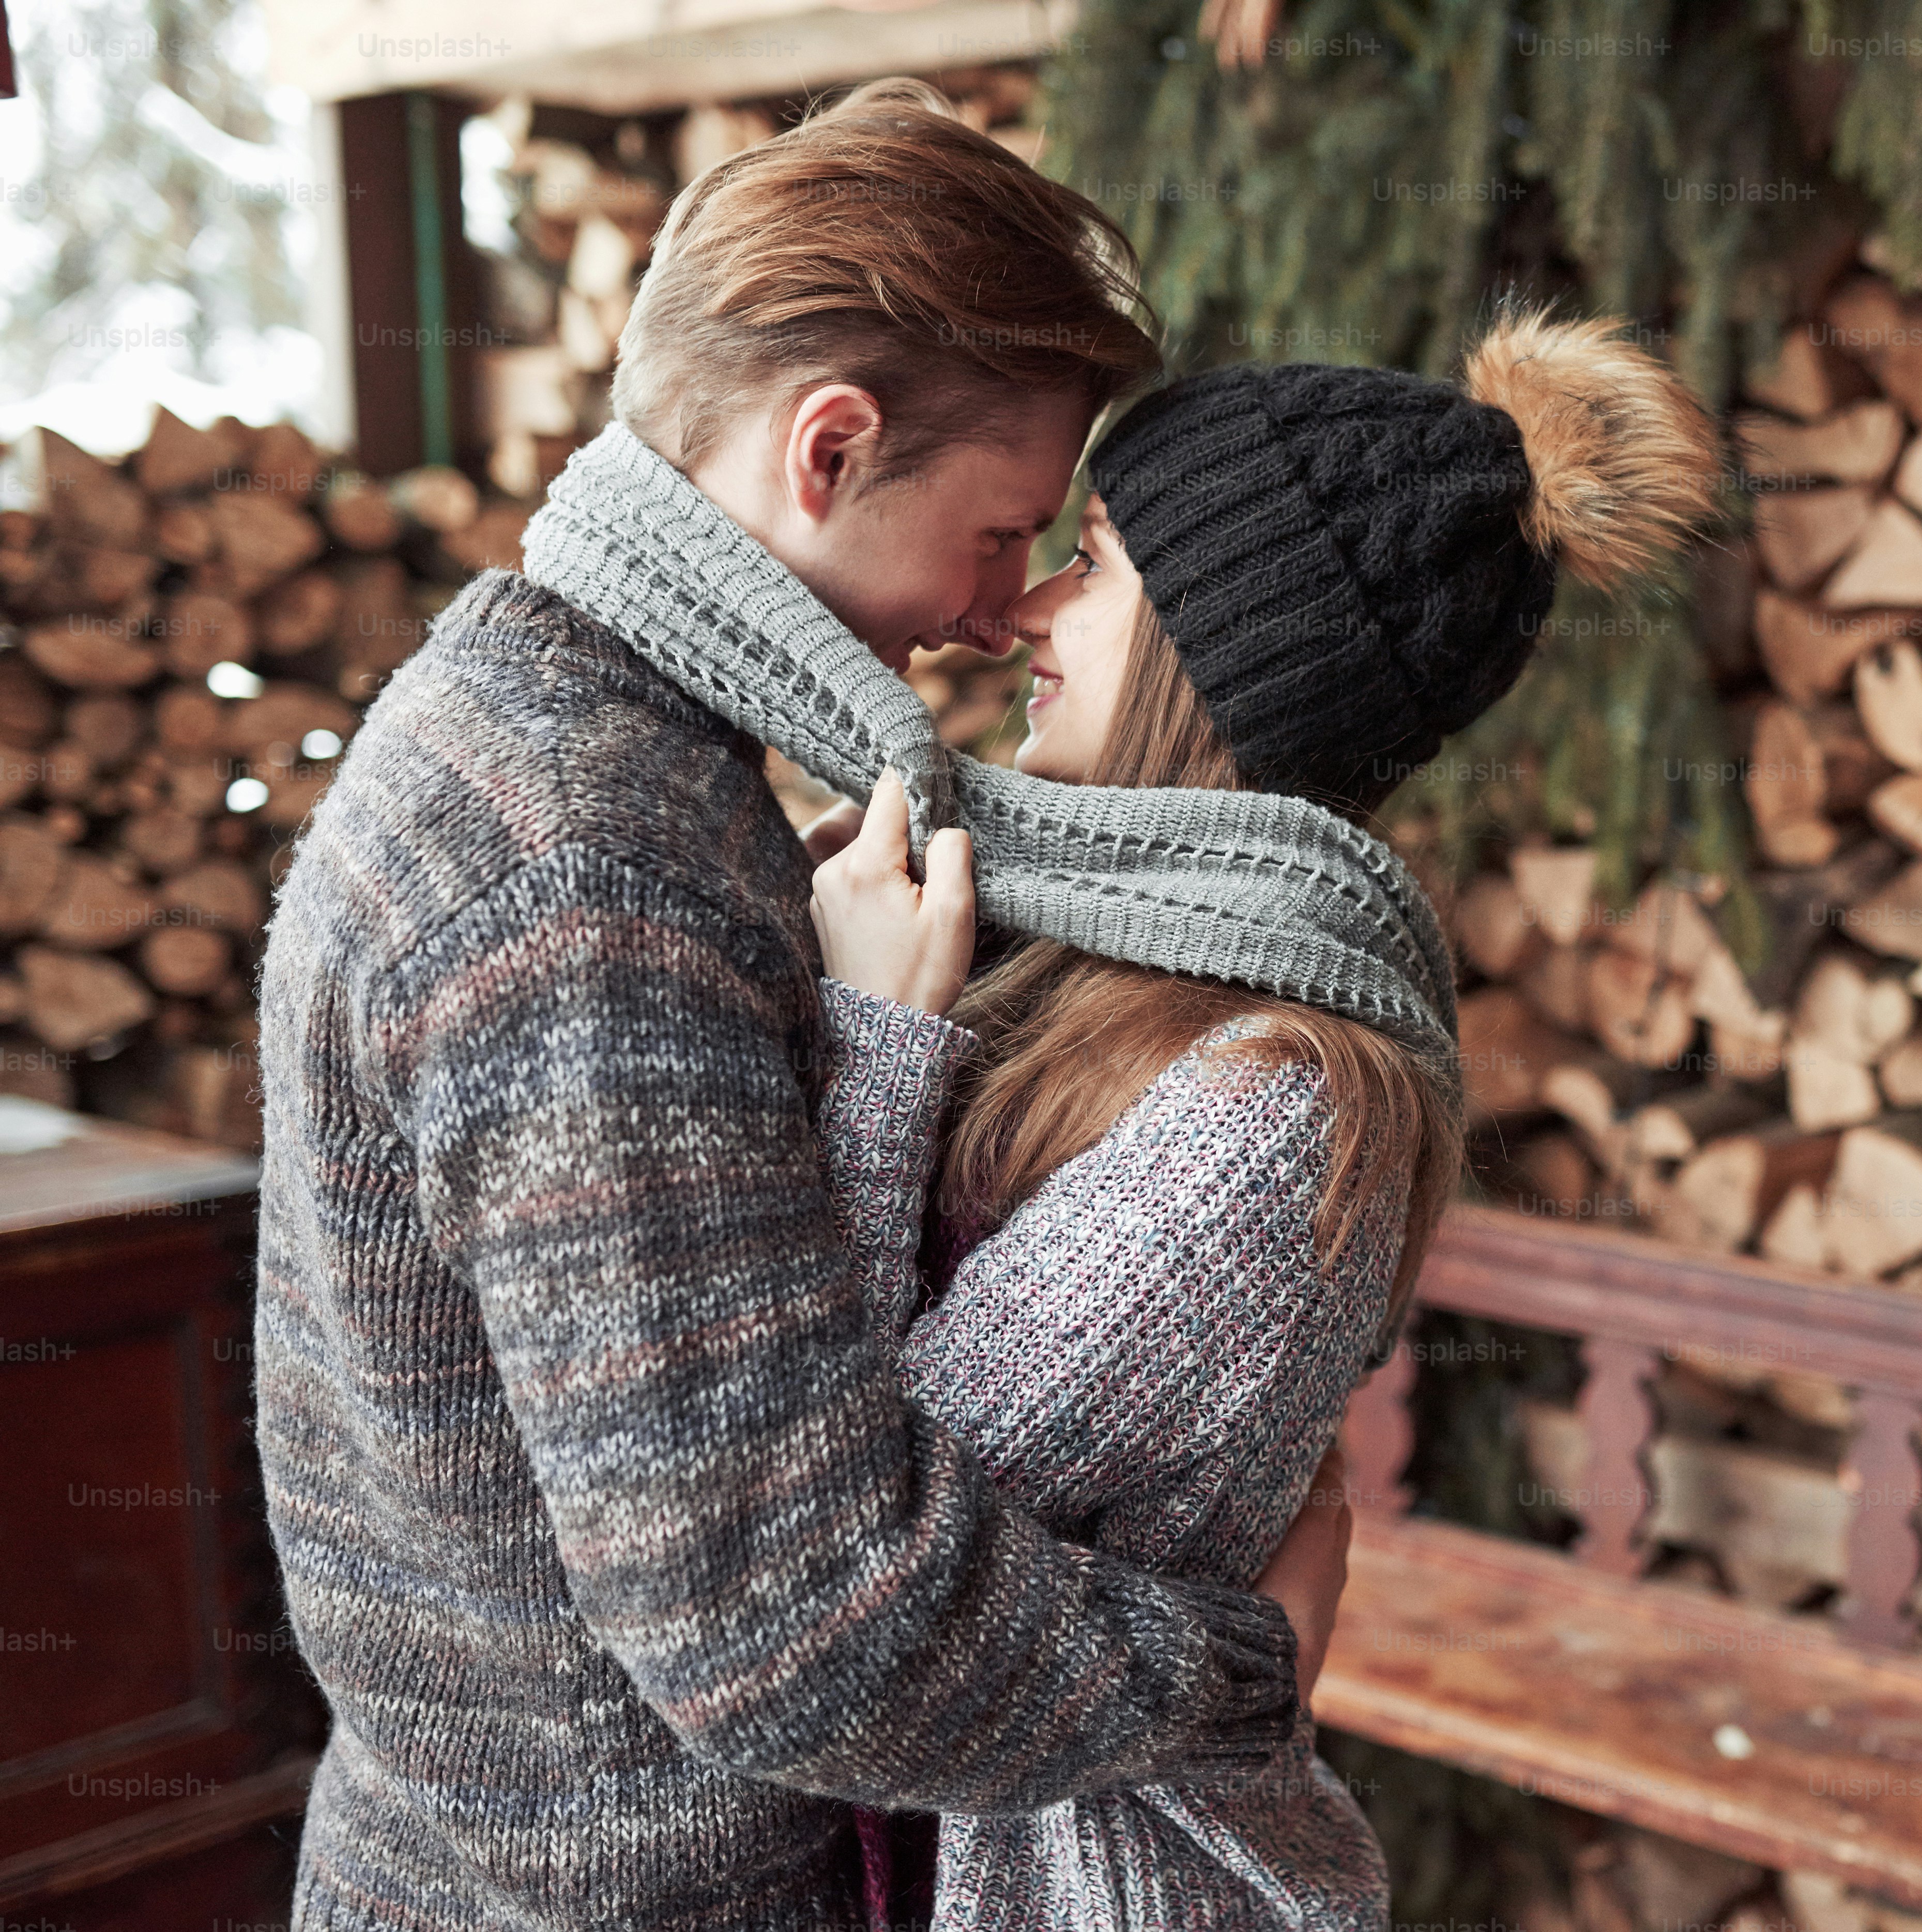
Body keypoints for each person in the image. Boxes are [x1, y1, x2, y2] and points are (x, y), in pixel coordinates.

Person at [254, 78, 1438, 1929]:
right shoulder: (592, 865)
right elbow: (789, 1624)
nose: (996, 612)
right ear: (829, 448)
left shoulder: (556, 734)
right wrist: (1240, 1670)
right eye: (1000, 532)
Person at [798, 312, 1722, 1927]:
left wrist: (877, 1045)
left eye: (1086, 559)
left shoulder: (1272, 1109)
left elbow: (838, 1528)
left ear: (1226, 646)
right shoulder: (1086, 957)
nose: (1021, 609)